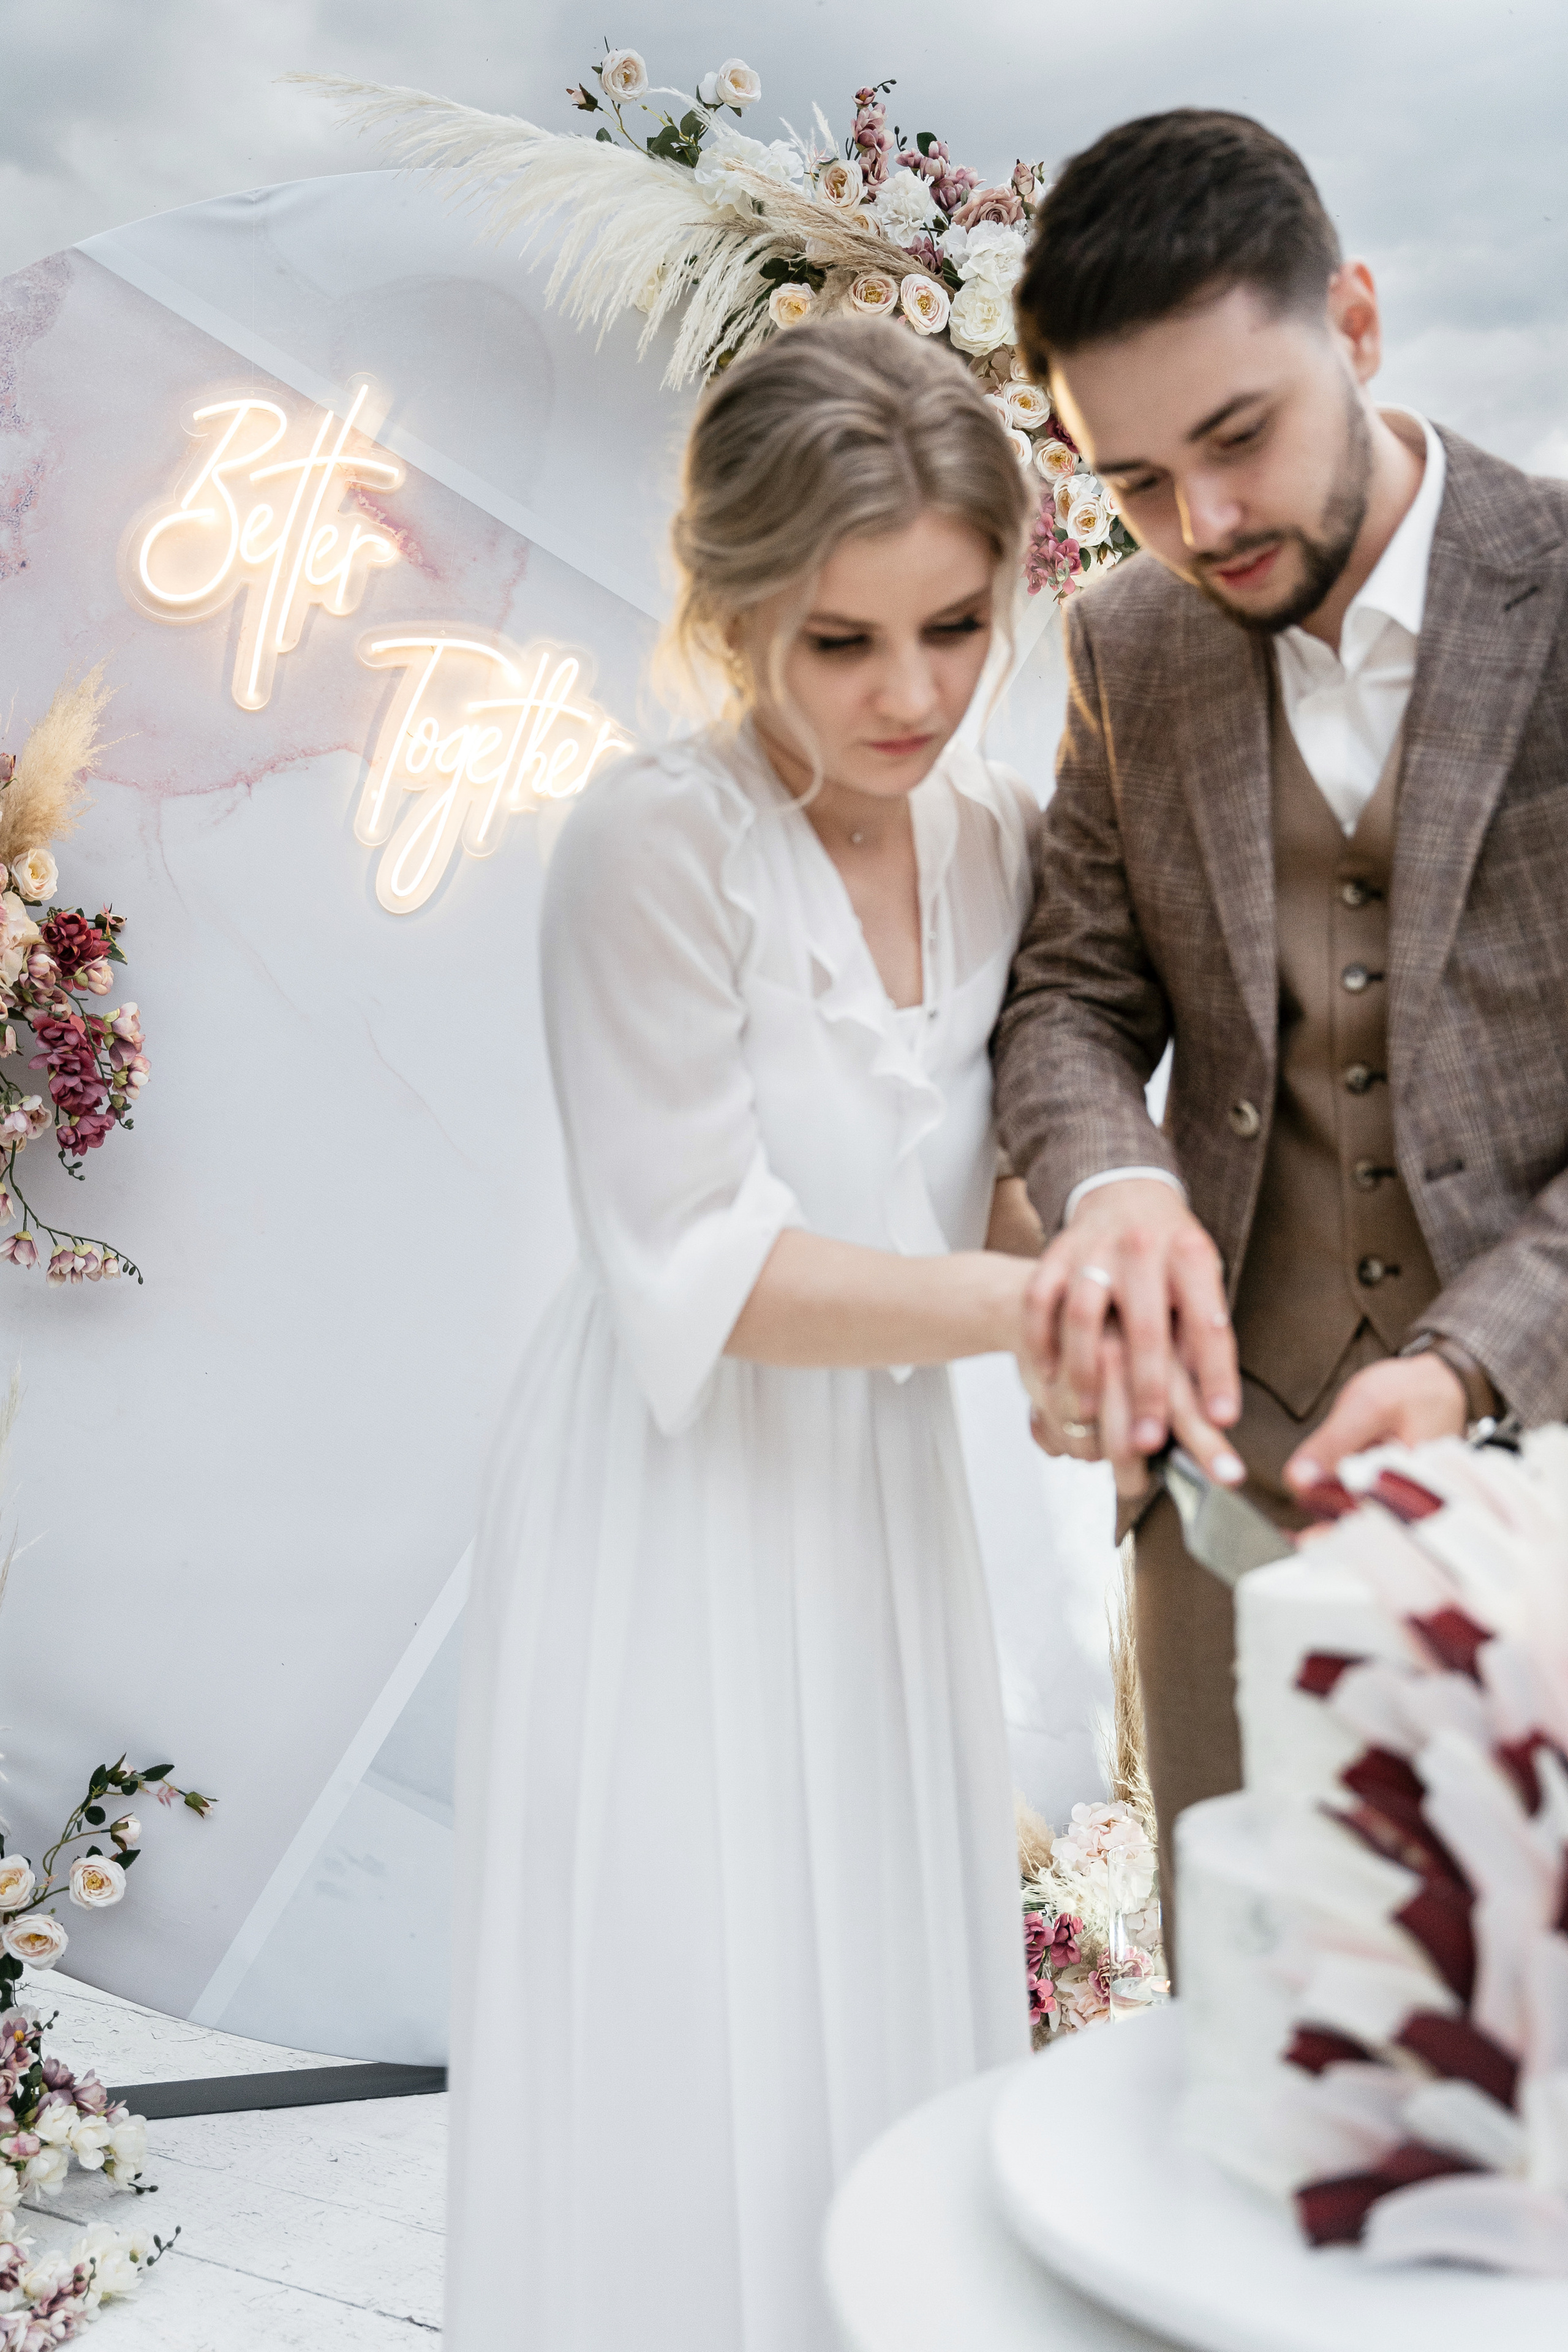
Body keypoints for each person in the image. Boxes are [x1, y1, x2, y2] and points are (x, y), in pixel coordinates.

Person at [445, 316, 1049, 2351]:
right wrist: (1031, 1306)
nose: (912, 697)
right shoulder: (651, 846)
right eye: (840, 643)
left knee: (879, 2017)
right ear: (729, 616)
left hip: (877, 1511)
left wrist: (1107, 1268)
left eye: (953, 627)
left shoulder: (1002, 844)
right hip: (672, 1513)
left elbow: (1006, 1165)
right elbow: (703, 1253)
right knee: (687, 2054)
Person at [995, 108, 1568, 1923]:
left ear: (1364, 323)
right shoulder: (1125, 644)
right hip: (1227, 1490)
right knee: (1249, 2035)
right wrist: (1115, 1192)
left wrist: (1470, 1364)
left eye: (1240, 437)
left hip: (1552, 1459)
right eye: (1140, 482)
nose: (1205, 523)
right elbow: (1072, 997)